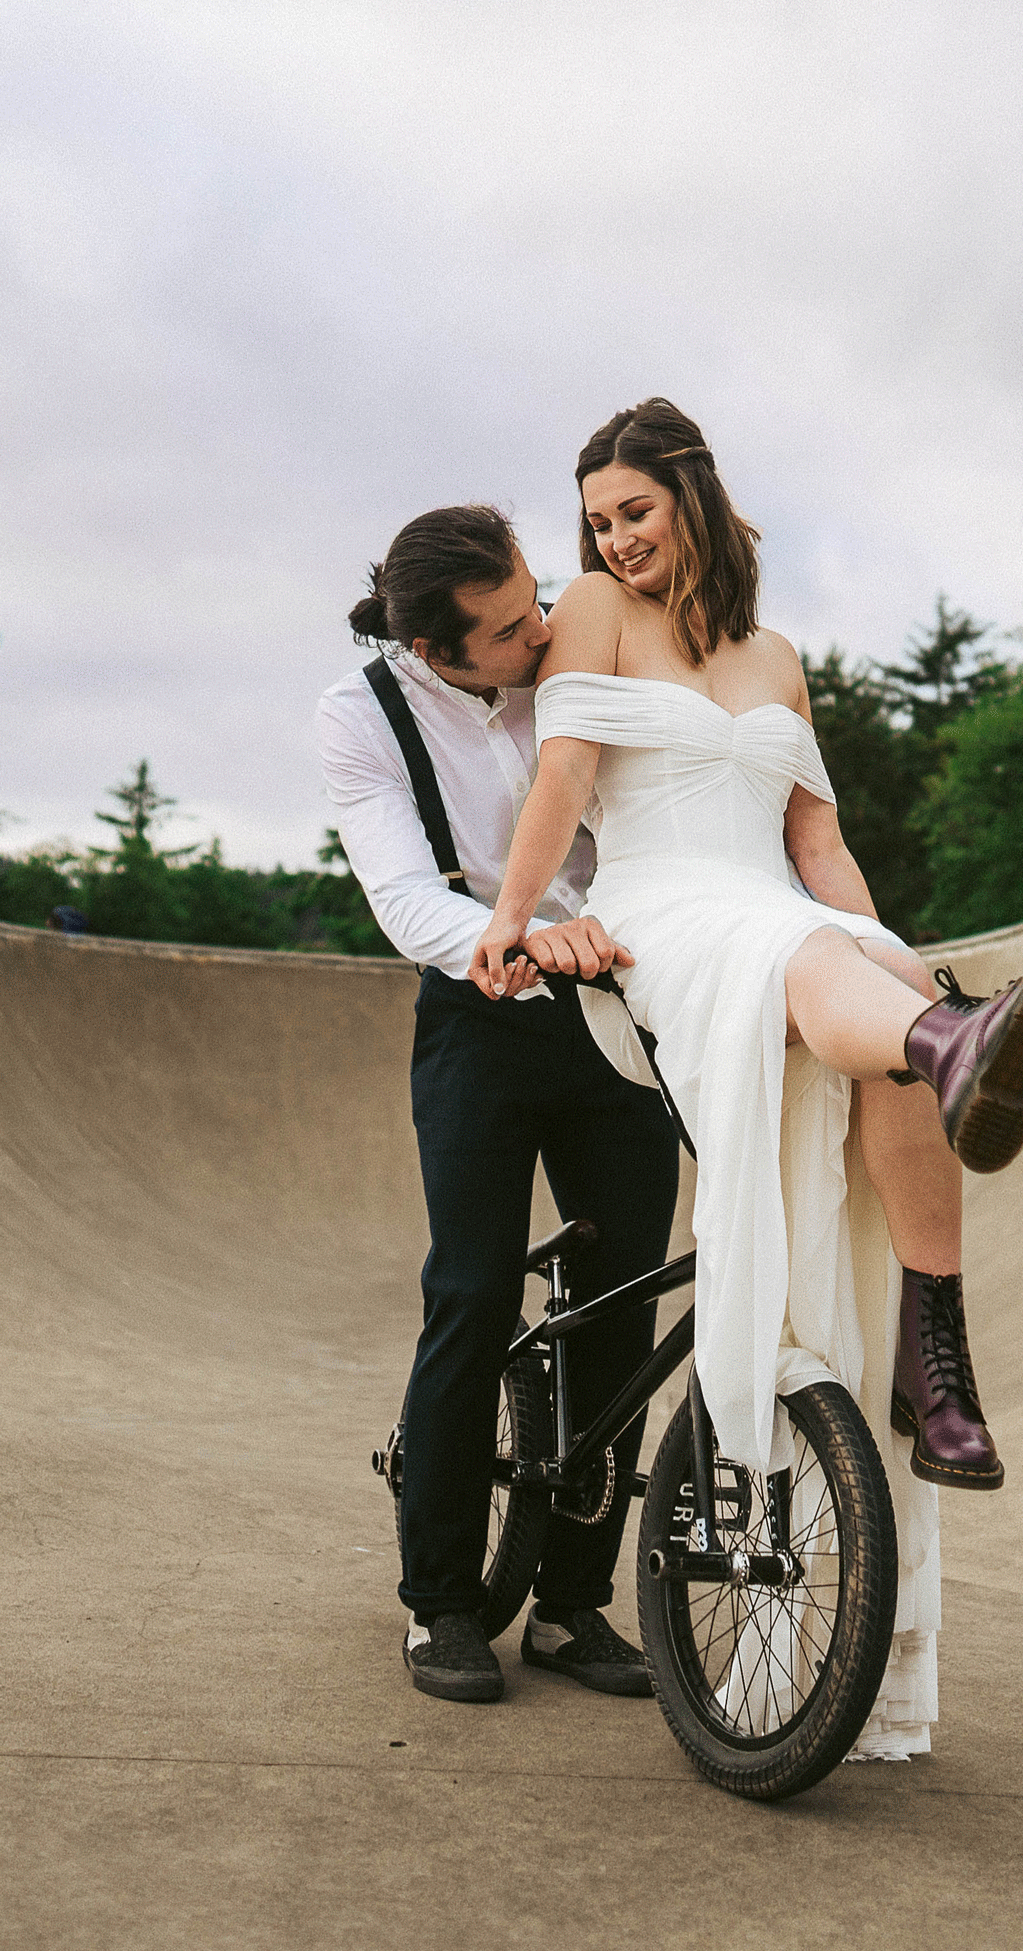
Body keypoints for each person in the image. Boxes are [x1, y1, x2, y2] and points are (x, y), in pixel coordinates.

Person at [472, 399, 1023, 1757]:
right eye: (597, 519)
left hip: (777, 917)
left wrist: (895, 954)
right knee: (841, 975)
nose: (613, 537)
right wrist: (513, 914)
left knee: (871, 973)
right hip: (666, 930)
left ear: (691, 495)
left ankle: (931, 1358)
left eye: (634, 510)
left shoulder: (776, 656)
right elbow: (564, 776)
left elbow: (816, 843)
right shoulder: (593, 610)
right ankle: (954, 1044)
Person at [315, 504, 682, 1708]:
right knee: (470, 1290)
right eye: (509, 627)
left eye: (535, 601)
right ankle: (441, 1605)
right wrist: (516, 939)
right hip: (478, 1023)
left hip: (615, 1014)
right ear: (436, 648)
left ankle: (574, 1607)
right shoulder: (360, 717)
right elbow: (404, 899)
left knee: (623, 1294)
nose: (538, 631)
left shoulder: (567, 638)